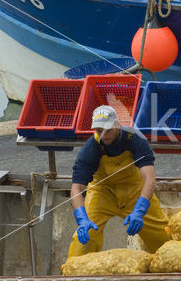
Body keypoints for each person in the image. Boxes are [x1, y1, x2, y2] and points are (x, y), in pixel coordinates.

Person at [67, 105, 170, 258]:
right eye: (99, 131)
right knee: (83, 242)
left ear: (118, 125)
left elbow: (149, 178)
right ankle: (72, 279)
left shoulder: (135, 139)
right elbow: (76, 188)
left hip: (135, 191)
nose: (104, 135)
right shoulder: (91, 148)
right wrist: (82, 218)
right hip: (102, 193)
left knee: (163, 238)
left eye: (108, 130)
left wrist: (140, 209)